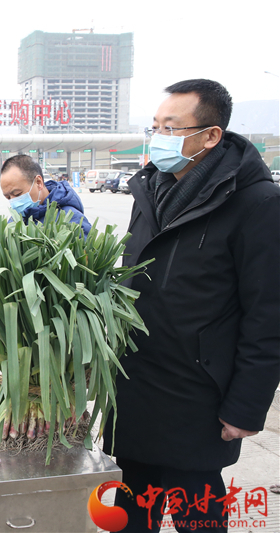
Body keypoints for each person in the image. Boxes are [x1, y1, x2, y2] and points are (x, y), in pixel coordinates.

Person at [102, 79, 280, 532]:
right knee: (127, 520)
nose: (158, 137)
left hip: (198, 398)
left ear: (211, 135)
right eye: (156, 126)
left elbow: (268, 314)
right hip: (137, 389)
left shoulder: (256, 203)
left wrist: (246, 407)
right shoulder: (150, 190)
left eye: (172, 127)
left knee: (198, 521)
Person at [0, 154, 92, 235]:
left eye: (17, 194)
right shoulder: (16, 220)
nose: (14, 202)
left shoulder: (71, 220)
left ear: (38, 182)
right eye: (8, 197)